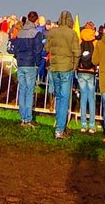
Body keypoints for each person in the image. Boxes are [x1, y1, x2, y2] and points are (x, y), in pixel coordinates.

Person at [43, 10, 80, 138]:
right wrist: (74, 66)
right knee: (64, 99)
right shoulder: (72, 34)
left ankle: (59, 125)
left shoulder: (52, 32)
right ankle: (60, 129)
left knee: (58, 97)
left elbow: (46, 48)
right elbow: (77, 52)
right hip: (66, 69)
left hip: (54, 67)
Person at [10, 11, 44, 126]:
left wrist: (18, 58)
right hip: (31, 64)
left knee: (22, 90)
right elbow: (38, 50)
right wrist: (38, 63)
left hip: (21, 63)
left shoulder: (19, 33)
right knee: (29, 91)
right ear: (36, 20)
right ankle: (28, 118)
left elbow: (15, 49)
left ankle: (22, 117)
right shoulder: (36, 33)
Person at [76, 21, 99, 133]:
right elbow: (97, 57)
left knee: (83, 97)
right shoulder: (95, 42)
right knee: (91, 97)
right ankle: (92, 125)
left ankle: (83, 124)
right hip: (91, 71)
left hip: (80, 71)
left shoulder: (80, 39)